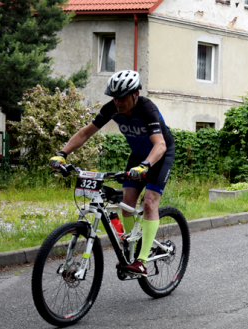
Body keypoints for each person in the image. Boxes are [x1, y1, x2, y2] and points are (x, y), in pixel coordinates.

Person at [49, 70, 175, 276]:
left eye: (123, 97)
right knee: (126, 203)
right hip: (137, 156)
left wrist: (145, 166)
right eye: (114, 98)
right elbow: (85, 133)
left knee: (150, 202)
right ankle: (130, 252)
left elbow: (160, 145)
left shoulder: (147, 109)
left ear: (136, 94)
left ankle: (142, 262)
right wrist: (62, 154)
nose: (118, 103)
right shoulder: (112, 109)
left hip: (159, 155)